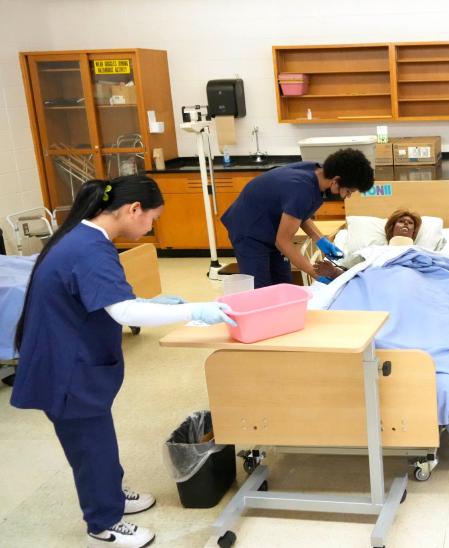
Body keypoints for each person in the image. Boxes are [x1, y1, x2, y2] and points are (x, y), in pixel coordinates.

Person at [12, 175, 235, 548]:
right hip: (67, 370)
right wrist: (197, 309)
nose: (151, 226)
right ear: (133, 209)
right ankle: (104, 522)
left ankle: (111, 493)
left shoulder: (86, 239)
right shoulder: (88, 248)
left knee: (98, 439)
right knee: (91, 447)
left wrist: (151, 304)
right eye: (151, 218)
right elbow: (123, 311)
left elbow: (106, 299)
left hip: (75, 361)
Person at [221, 148, 375, 288]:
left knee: (283, 285)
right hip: (249, 231)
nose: (346, 196)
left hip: (272, 228)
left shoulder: (318, 173)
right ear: (336, 181)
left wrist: (320, 239)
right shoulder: (302, 189)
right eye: (348, 191)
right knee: (262, 290)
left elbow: (297, 212)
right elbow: (283, 241)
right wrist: (315, 274)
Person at [313, 209, 423, 282]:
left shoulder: (423, 253)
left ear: (414, 232)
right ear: (391, 228)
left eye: (410, 223)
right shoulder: (373, 252)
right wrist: (333, 272)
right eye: (401, 221)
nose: (406, 223)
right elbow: (357, 279)